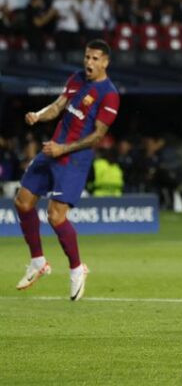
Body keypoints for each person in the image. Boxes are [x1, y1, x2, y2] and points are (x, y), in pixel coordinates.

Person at [13, 39, 120, 301]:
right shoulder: (76, 79)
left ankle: (76, 269)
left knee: (56, 216)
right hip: (52, 150)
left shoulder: (109, 94)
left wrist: (64, 149)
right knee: (23, 202)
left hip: (73, 159)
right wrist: (38, 115)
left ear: (105, 62)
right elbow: (59, 106)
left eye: (95, 59)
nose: (89, 63)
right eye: (87, 57)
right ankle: (38, 262)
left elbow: (97, 136)